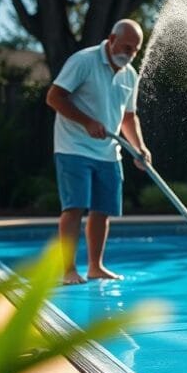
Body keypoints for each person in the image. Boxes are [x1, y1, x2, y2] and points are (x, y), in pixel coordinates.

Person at [46, 19, 152, 284]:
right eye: (125, 46)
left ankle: (95, 266)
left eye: (134, 50)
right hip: (74, 147)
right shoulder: (84, 61)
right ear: (111, 38)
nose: (128, 53)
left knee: (102, 210)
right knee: (75, 207)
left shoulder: (129, 75)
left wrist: (139, 148)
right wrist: (87, 122)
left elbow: (128, 117)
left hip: (108, 151)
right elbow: (54, 97)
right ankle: (68, 270)